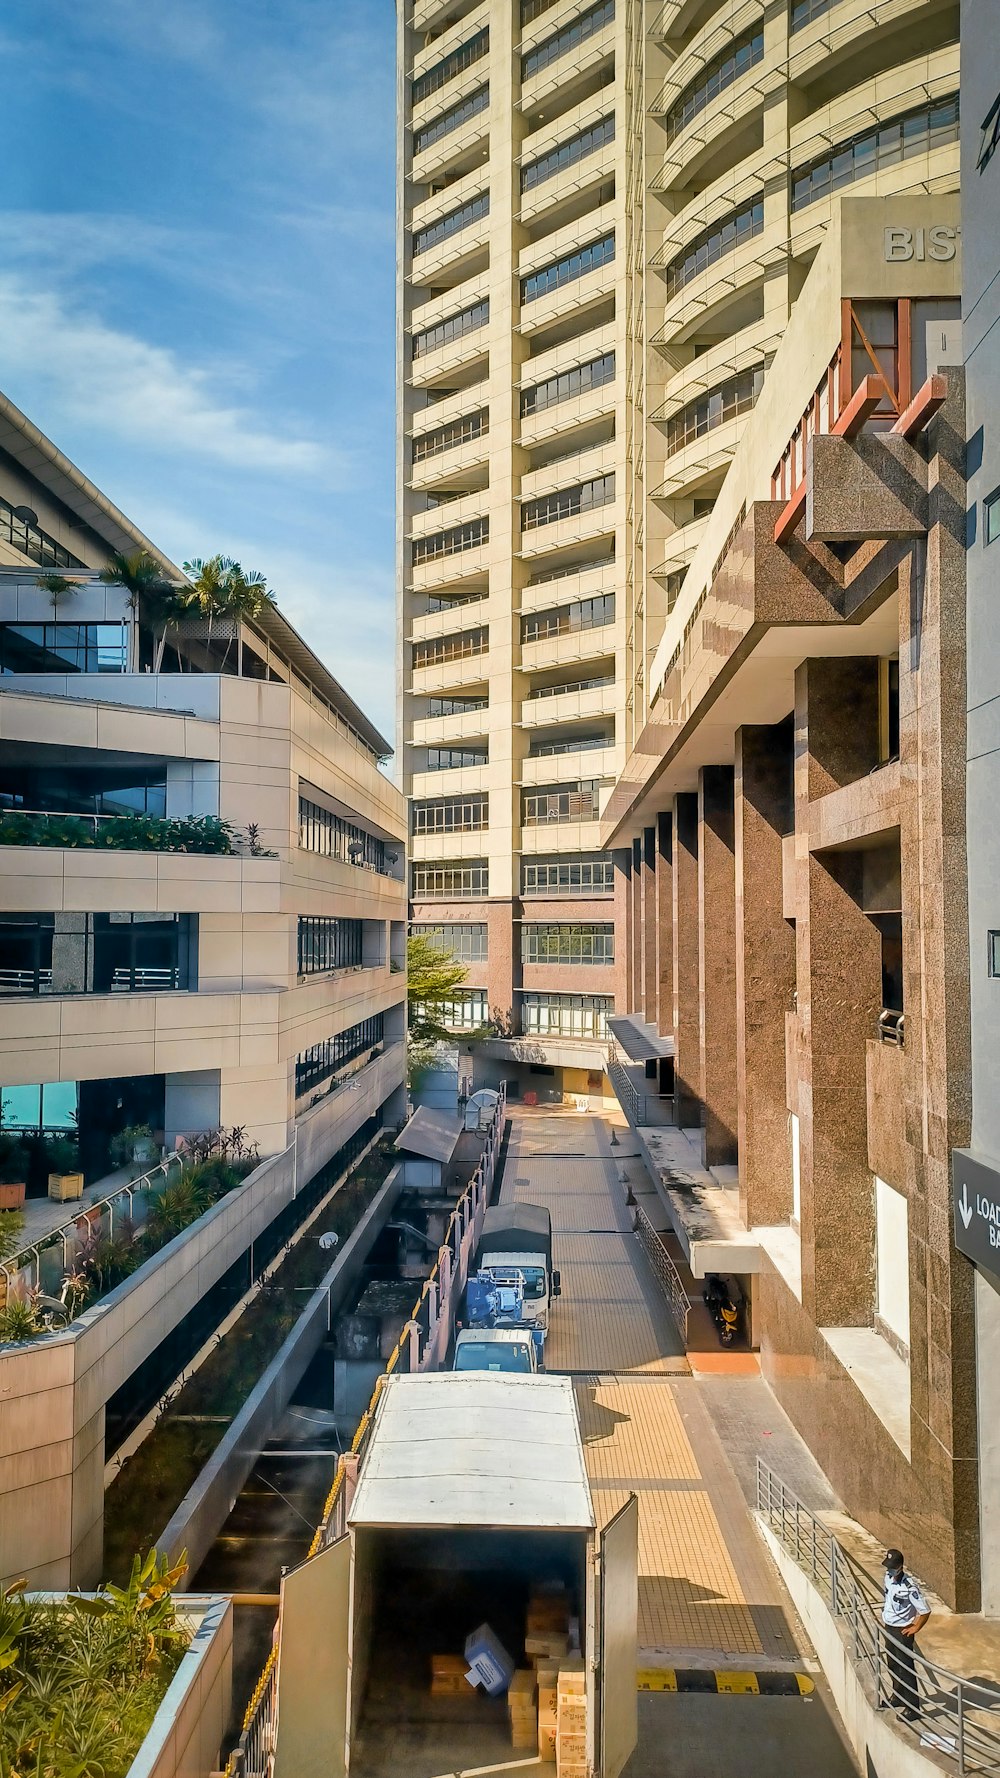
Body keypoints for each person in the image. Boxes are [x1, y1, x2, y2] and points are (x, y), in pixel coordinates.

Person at [880, 1548, 930, 1720]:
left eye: (892, 1567)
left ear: (900, 1567)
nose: (889, 1570)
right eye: (888, 1567)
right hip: (889, 1627)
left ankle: (912, 1708)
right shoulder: (887, 1578)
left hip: (902, 1630)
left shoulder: (909, 1586)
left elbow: (924, 1611)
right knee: (893, 1665)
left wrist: (915, 1627)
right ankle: (897, 1696)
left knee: (905, 1668)